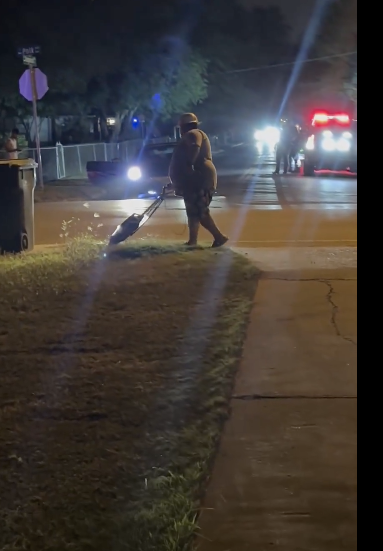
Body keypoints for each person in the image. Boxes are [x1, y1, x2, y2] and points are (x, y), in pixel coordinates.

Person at [169, 113, 228, 248]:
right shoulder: (192, 134)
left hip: (200, 179)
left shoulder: (193, 133)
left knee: (200, 211)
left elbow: (195, 147)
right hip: (193, 180)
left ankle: (219, 237)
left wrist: (189, 165)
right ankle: (192, 241)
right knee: (193, 212)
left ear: (184, 126)